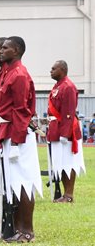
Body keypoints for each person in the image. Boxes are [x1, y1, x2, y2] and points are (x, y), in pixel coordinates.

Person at [0, 36, 42, 242]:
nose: (1, 51)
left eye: (5, 48)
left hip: (17, 133)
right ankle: (16, 227)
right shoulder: (6, 73)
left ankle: (27, 230)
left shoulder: (19, 74)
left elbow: (21, 110)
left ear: (17, 50)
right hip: (7, 131)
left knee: (24, 182)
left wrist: (16, 142)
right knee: (12, 182)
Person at [47, 60, 86, 203]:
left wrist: (65, 133)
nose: (50, 71)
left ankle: (69, 195)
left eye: (53, 69)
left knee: (69, 163)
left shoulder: (68, 86)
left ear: (62, 70)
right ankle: (65, 194)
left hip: (67, 131)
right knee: (61, 163)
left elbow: (69, 112)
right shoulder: (58, 86)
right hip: (57, 128)